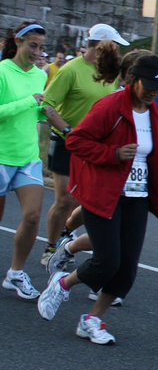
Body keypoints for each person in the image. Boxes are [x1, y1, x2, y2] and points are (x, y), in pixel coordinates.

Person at [36, 55, 158, 344]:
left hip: (137, 197)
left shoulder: (155, 114)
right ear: (133, 79)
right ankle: (62, 284)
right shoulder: (110, 106)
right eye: (149, 85)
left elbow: (145, 156)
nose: (154, 92)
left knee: (126, 270)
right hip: (104, 193)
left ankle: (91, 320)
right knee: (107, 262)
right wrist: (112, 154)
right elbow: (76, 140)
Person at [39, 24, 127, 267]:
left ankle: (65, 233)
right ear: (101, 45)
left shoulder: (109, 72)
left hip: (94, 147)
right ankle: (51, 246)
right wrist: (69, 131)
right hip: (66, 142)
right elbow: (47, 106)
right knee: (65, 198)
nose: (117, 51)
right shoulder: (70, 70)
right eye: (115, 45)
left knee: (84, 200)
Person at [0, 22, 49, 301]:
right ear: (18, 42)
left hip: (28, 157)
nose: (38, 52)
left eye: (42, 47)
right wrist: (30, 102)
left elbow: (36, 115)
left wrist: (45, 112)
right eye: (33, 45)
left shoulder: (40, 76)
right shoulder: (2, 71)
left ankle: (16, 273)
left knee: (31, 218)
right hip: (1, 156)